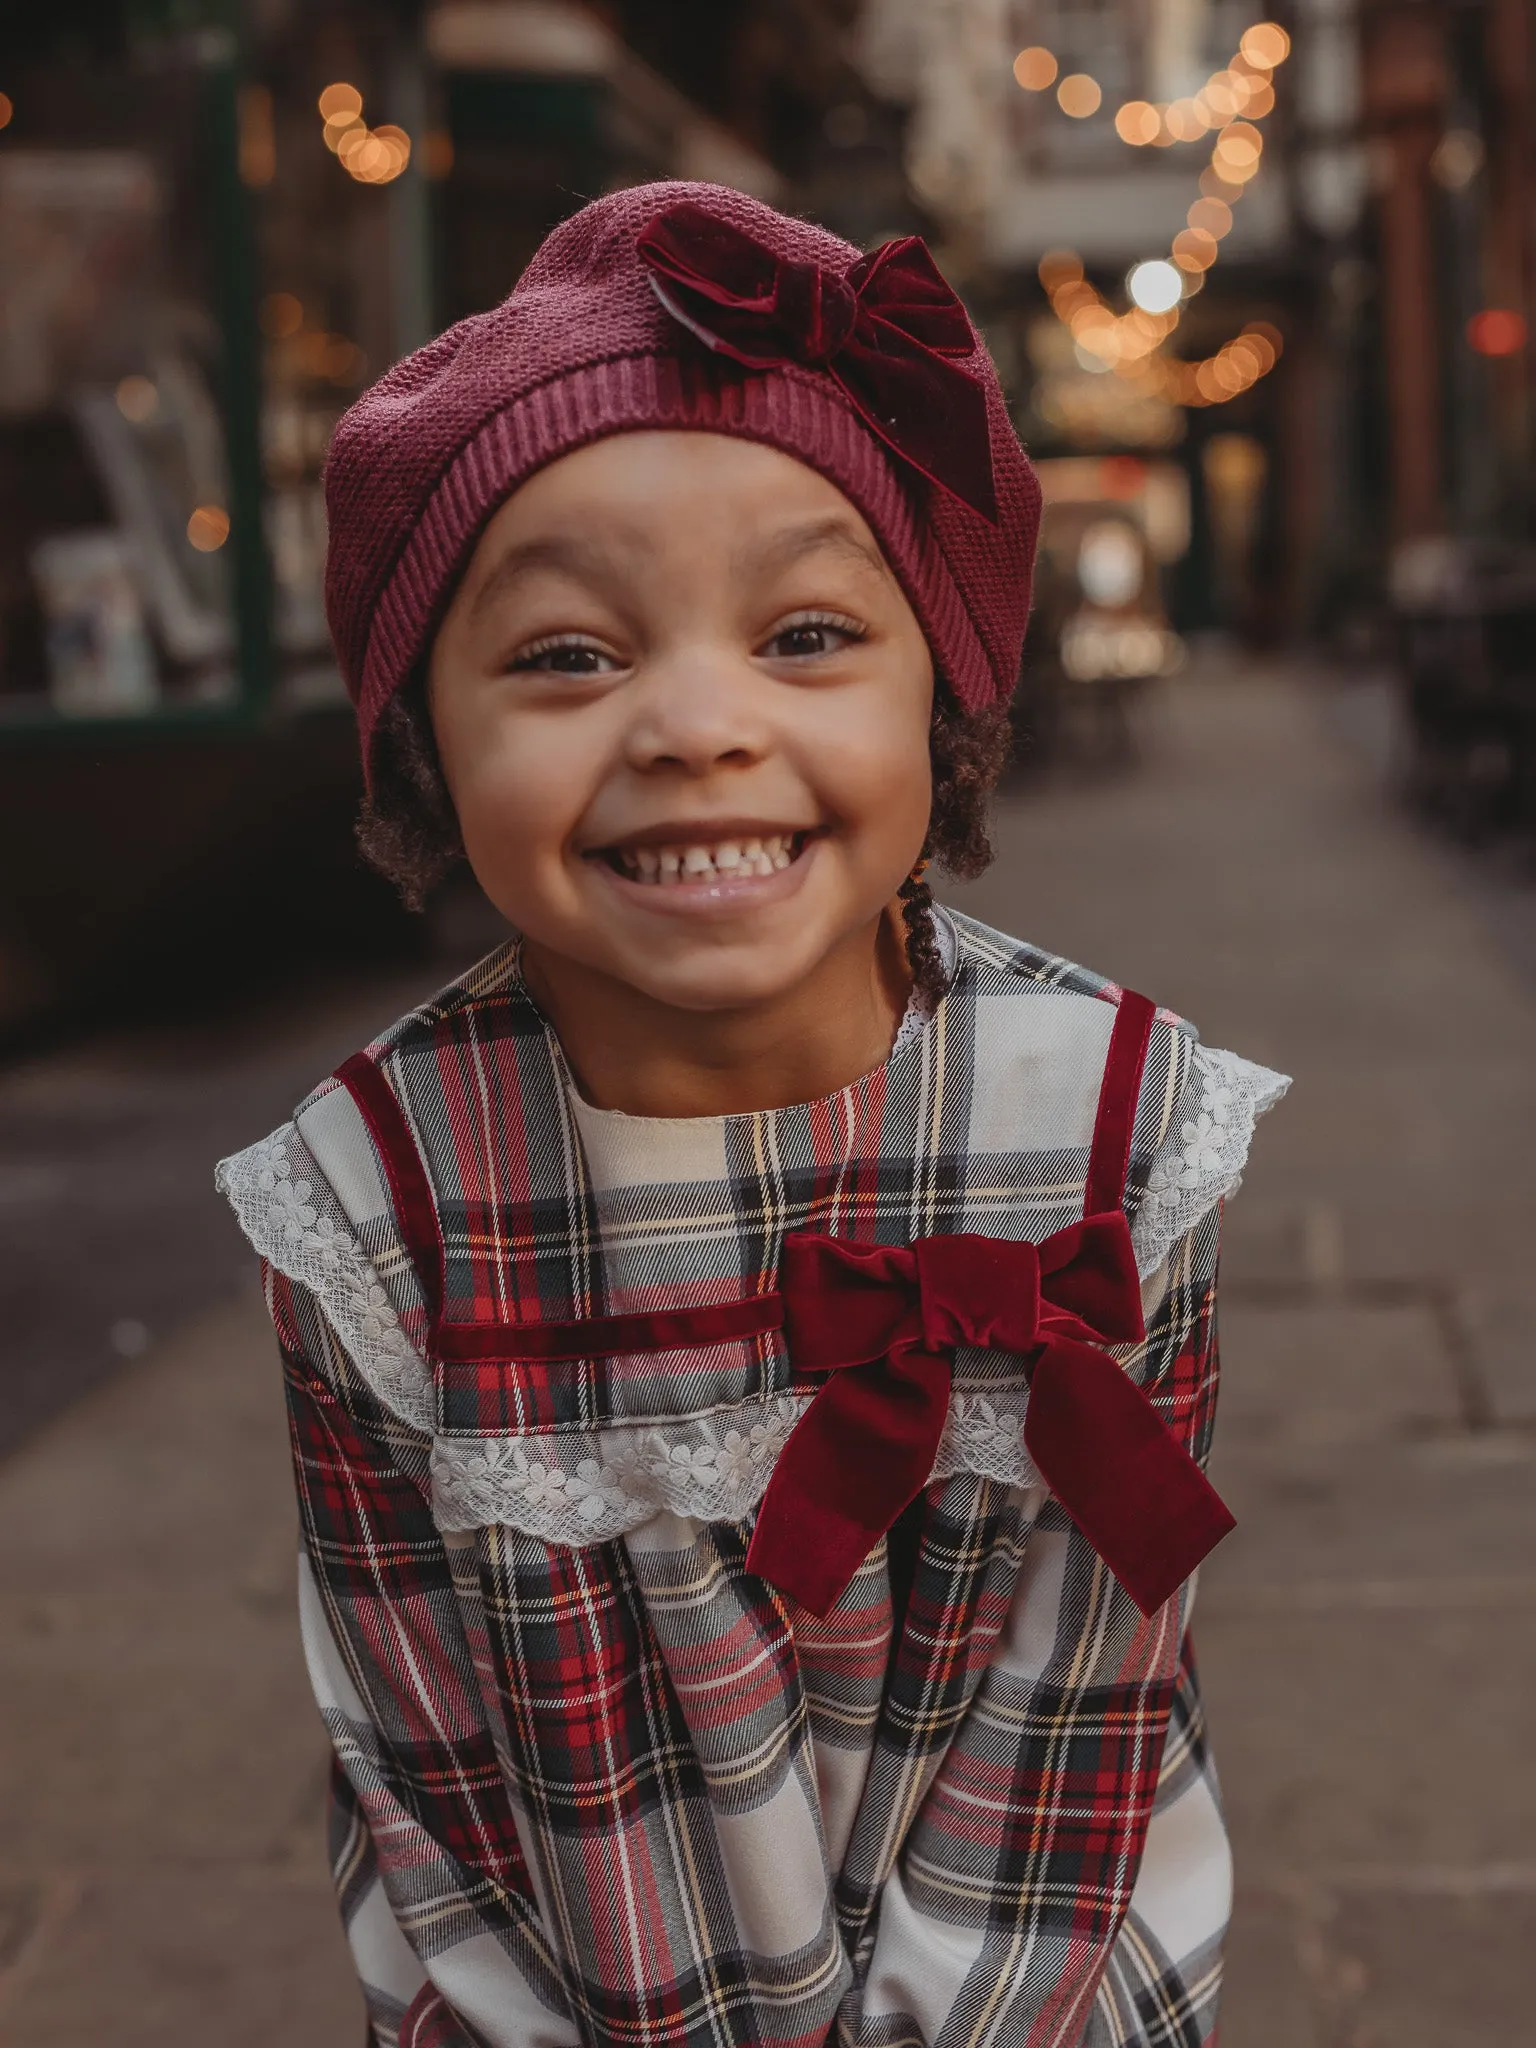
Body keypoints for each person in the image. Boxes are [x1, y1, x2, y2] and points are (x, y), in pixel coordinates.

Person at [218, 182, 1286, 2048]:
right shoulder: (374, 1210)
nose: (697, 725)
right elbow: (416, 1760)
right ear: (420, 742)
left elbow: (1087, 1693)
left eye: (804, 636)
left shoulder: (1111, 1129)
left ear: (941, 693)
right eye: (566, 654)